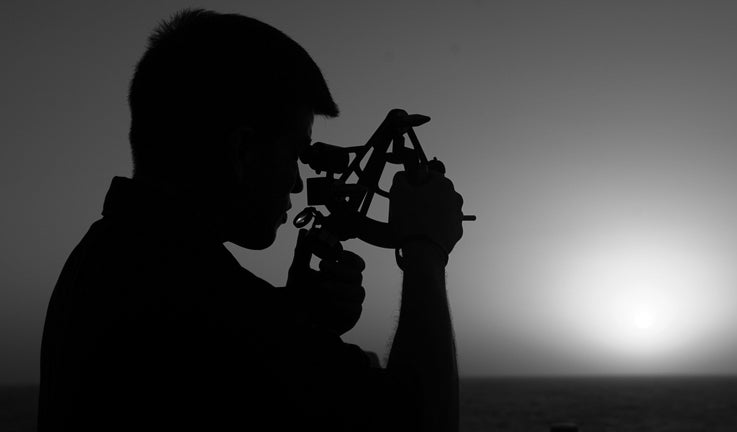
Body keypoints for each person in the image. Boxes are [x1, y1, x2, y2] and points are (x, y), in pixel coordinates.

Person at [38, 8, 464, 431]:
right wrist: (426, 249)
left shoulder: (104, 259)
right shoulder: (210, 305)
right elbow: (419, 419)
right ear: (243, 151)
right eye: (296, 153)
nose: (299, 185)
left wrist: (296, 315)